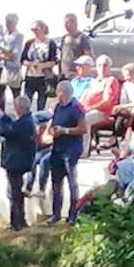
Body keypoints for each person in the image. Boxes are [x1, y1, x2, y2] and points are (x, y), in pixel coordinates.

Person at [44, 79, 88, 225]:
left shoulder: (76, 107)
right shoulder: (58, 106)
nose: (57, 94)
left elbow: (83, 128)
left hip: (71, 149)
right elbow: (53, 122)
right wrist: (51, 131)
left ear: (64, 92)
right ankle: (55, 213)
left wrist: (66, 131)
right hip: (58, 148)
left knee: (71, 182)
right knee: (56, 182)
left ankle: (73, 214)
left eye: (58, 91)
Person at [0, 94, 39, 230]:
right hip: (19, 160)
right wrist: (3, 116)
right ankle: (20, 221)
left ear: (19, 108)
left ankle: (16, 224)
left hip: (16, 162)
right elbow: (12, 125)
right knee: (15, 193)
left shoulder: (24, 123)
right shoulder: (26, 120)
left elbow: (5, 130)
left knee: (14, 194)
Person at [21, 21, 59, 112]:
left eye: (36, 29)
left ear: (43, 29)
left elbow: (54, 61)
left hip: (44, 78)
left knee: (41, 104)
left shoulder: (50, 43)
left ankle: (39, 119)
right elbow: (22, 60)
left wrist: (42, 66)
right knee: (26, 102)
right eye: (32, 29)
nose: (34, 31)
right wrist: (31, 64)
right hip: (30, 77)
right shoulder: (29, 43)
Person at [57, 12, 91, 80]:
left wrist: (82, 71)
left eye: (67, 23)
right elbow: (61, 55)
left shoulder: (82, 38)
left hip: (76, 74)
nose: (65, 25)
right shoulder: (64, 38)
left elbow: (88, 56)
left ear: (74, 23)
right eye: (65, 23)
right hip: (64, 75)